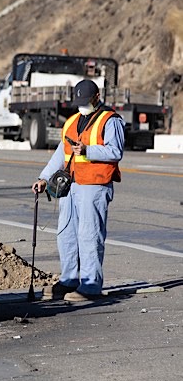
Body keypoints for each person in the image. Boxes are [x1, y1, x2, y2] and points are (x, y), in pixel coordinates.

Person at [31, 79, 125, 302]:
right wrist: (44, 178)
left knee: (89, 235)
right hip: (70, 187)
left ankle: (91, 284)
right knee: (67, 235)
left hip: (94, 186)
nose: (82, 105)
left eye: (86, 101)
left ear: (97, 97)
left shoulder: (110, 120)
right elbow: (59, 154)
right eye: (79, 101)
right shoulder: (72, 121)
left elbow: (115, 151)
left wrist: (87, 150)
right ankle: (69, 280)